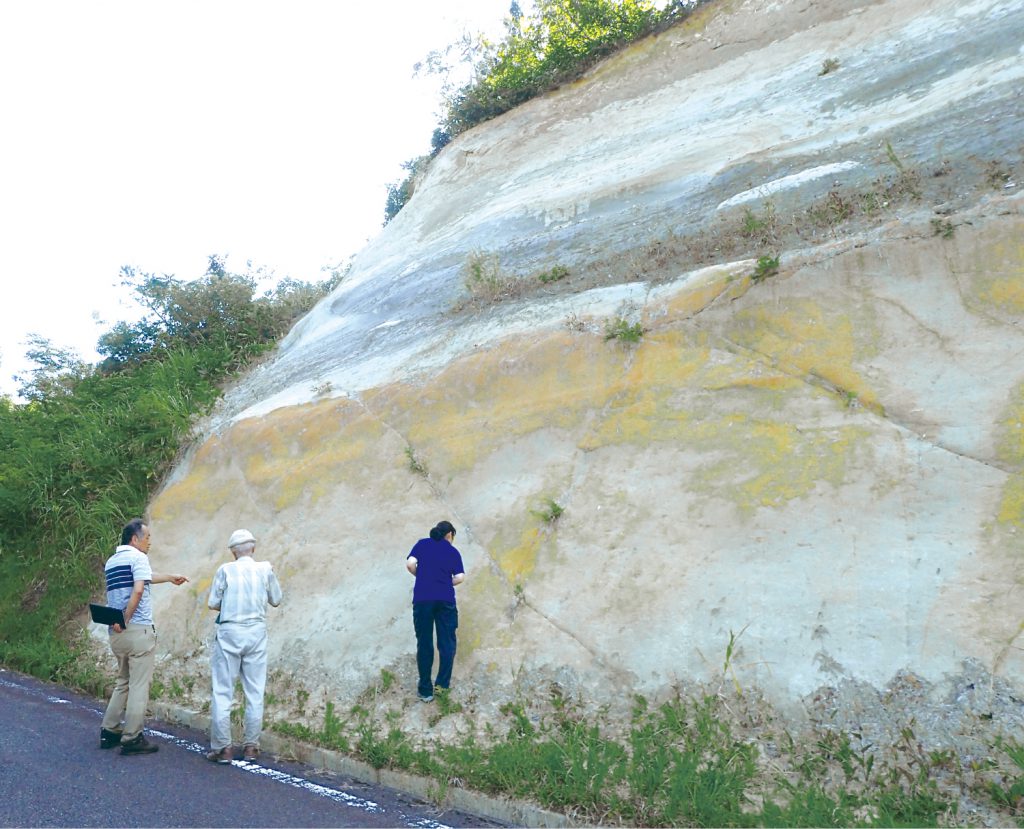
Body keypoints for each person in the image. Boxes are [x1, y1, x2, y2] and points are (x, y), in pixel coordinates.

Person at [100, 518, 188, 755]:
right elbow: (139, 588)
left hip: (116, 633)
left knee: (123, 681)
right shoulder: (138, 558)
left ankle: (109, 731)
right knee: (139, 685)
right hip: (137, 629)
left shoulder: (112, 561)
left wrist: (169, 576)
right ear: (135, 539)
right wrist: (127, 618)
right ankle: (132, 737)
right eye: (147, 538)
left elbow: (145, 577)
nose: (150, 543)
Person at [206, 528, 283, 764]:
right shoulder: (265, 569)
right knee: (255, 690)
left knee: (222, 690)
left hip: (230, 631)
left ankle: (223, 748)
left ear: (233, 552)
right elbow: (276, 599)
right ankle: (251, 746)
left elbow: (213, 603)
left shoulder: (225, 570)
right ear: (254, 548)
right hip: (256, 632)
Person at [406, 520, 465, 702]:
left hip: (423, 599)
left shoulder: (422, 544)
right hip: (445, 600)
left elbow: (410, 564)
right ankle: (441, 688)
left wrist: (421, 576)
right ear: (450, 535)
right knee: (447, 643)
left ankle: (425, 690)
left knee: (424, 643)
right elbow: (460, 577)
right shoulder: (453, 551)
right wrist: (446, 583)